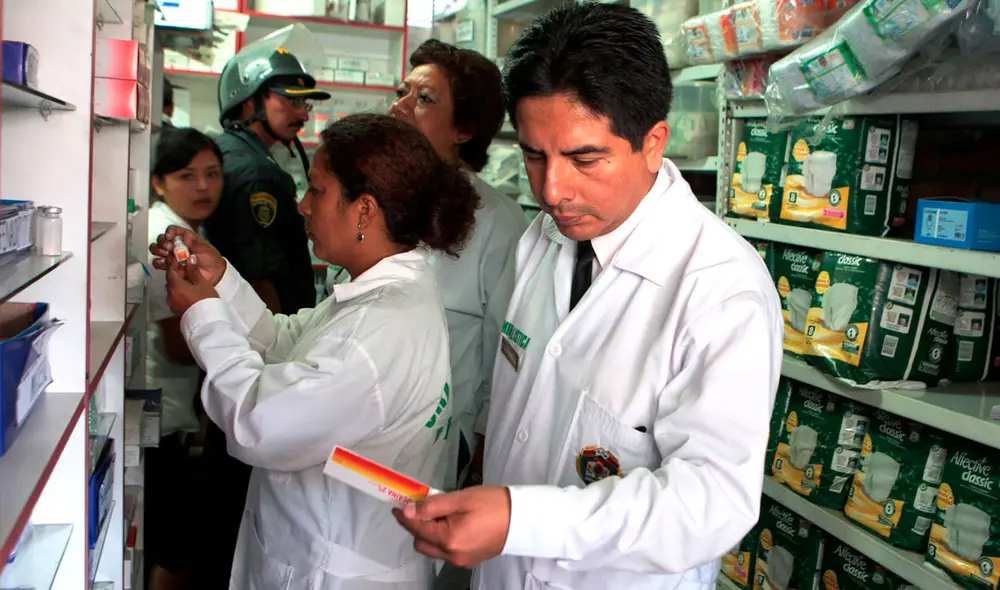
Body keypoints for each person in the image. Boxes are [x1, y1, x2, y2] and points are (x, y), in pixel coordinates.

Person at [393, 4, 784, 590]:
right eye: (533, 155)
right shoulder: (542, 239)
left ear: (653, 143)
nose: (553, 190)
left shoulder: (720, 288)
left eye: (584, 158)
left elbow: (711, 502)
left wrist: (524, 519)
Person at [149, 113, 481, 590]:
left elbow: (257, 422)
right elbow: (288, 343)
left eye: (317, 191)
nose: (302, 206)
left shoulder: (377, 328)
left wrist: (203, 315)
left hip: (336, 570)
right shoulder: (381, 292)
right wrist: (220, 280)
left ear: (364, 210)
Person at [195, 39, 331, 589]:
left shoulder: (227, 156)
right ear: (249, 101)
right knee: (232, 495)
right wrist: (270, 380)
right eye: (289, 100)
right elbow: (263, 279)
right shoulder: (261, 178)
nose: (302, 111)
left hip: (228, 349)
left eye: (306, 103)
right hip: (254, 356)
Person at [388, 39, 527, 489]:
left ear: (464, 129)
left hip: (438, 439)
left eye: (424, 99)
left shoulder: (497, 221)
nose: (403, 107)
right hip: (367, 419)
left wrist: (486, 445)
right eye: (402, 91)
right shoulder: (384, 196)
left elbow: (506, 349)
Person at [144, 127, 224, 590]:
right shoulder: (166, 236)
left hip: (167, 411)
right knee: (169, 545)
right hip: (159, 414)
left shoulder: (183, 230)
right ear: (158, 182)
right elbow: (177, 343)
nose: (202, 187)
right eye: (186, 175)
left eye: (212, 174)